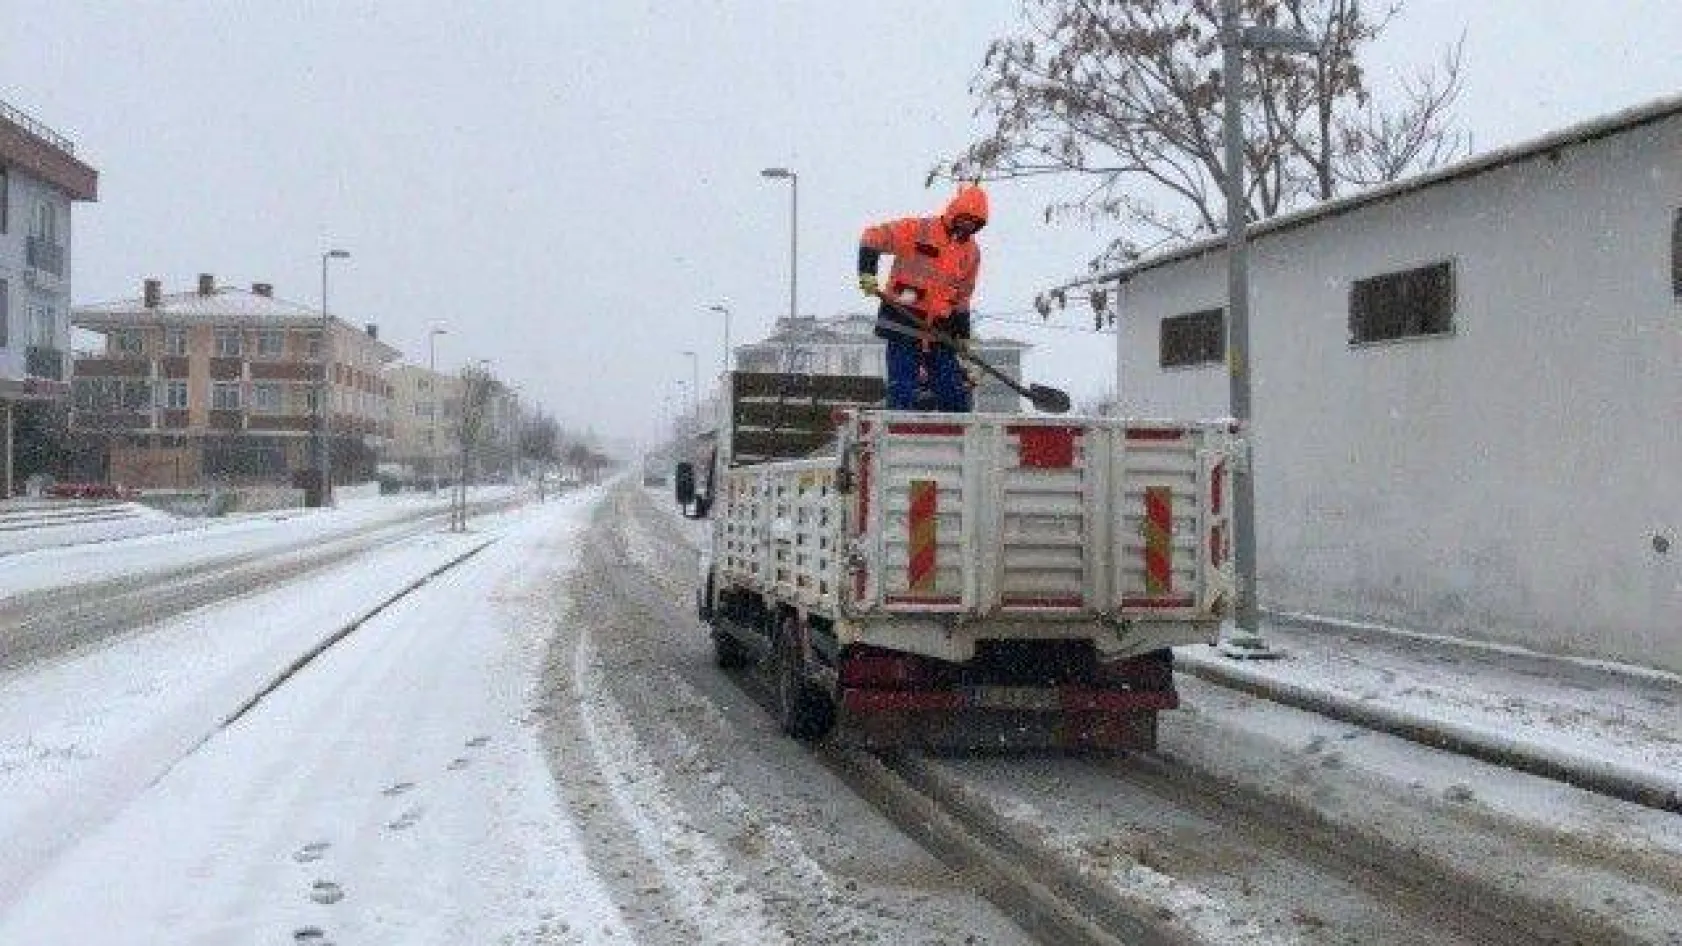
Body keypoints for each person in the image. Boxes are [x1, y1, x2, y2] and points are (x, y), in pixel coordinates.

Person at [857, 184, 988, 412]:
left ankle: (954, 438)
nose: (968, 226)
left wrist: (963, 335)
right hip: (903, 320)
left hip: (940, 331)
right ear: (954, 212)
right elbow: (872, 237)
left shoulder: (971, 253)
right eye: (965, 219)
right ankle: (898, 435)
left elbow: (962, 296)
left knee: (953, 391)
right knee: (903, 389)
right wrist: (867, 272)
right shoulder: (919, 230)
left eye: (974, 223)